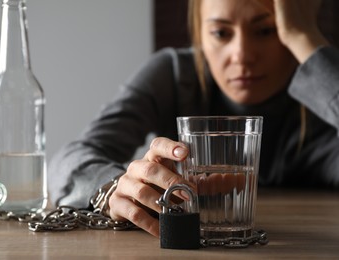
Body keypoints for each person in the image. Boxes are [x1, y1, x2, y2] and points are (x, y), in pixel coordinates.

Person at [48, 0, 339, 237]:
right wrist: (112, 190)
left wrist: (304, 38)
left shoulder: (329, 91)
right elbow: (69, 158)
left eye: (267, 30)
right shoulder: (175, 74)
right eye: (221, 33)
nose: (242, 55)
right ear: (199, 33)